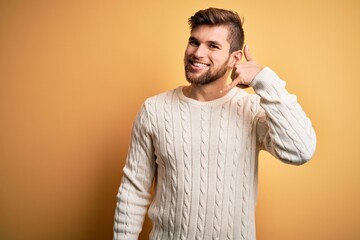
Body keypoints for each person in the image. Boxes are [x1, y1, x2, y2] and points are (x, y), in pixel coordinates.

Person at [113, 7, 316, 240]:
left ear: (235, 58)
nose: (198, 52)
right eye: (194, 42)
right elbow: (133, 192)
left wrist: (264, 79)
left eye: (213, 46)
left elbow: (301, 150)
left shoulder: (251, 110)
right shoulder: (154, 110)